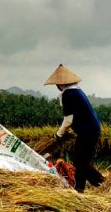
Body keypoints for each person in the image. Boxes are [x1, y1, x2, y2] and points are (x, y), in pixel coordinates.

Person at [44, 64, 104, 192]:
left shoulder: (69, 94)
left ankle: (101, 183)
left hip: (88, 131)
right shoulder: (76, 91)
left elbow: (68, 119)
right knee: (80, 160)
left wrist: (59, 134)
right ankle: (82, 187)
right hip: (89, 130)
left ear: (60, 84)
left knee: (79, 161)